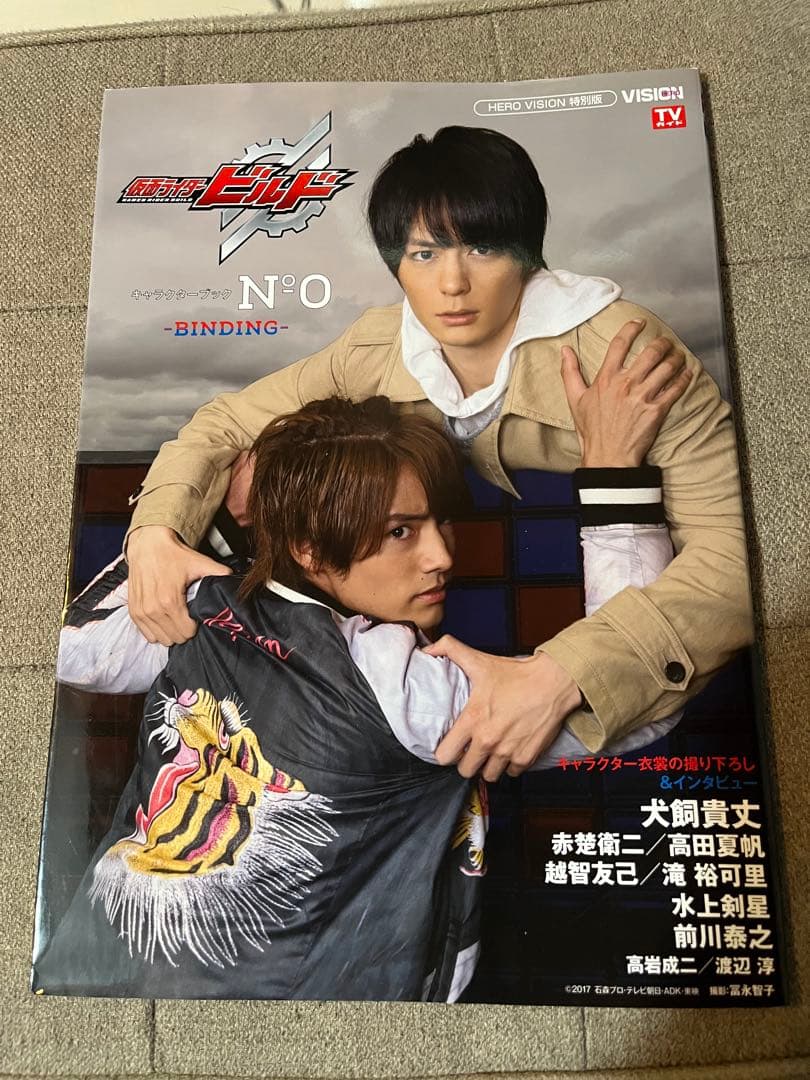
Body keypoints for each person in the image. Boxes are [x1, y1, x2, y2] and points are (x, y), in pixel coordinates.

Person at [123, 126, 752, 782]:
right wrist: (155, 533)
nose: (452, 284)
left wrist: (565, 673)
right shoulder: (374, 349)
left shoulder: (628, 358)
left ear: (527, 251)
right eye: (424, 254)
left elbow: (738, 561)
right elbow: (223, 423)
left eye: (482, 247)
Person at [37, 388, 682, 1001]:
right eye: (401, 531)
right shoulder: (404, 685)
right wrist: (615, 477)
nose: (441, 556)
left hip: (88, 976)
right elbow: (635, 708)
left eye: (441, 522)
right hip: (291, 1030)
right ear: (310, 548)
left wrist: (194, 533)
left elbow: (70, 648)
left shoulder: (202, 604)